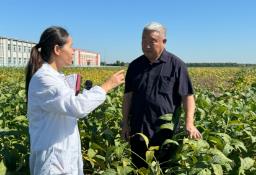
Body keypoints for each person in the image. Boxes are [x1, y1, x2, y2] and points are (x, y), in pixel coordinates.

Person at [25, 26, 124, 175]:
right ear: (57, 50)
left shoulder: (55, 77)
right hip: (53, 163)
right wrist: (107, 86)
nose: (73, 51)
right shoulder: (44, 79)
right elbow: (77, 106)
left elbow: (67, 103)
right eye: (71, 47)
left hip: (62, 158)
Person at [121, 22, 202, 169]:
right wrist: (125, 123)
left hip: (165, 134)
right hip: (138, 131)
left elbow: (188, 96)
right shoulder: (134, 66)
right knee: (140, 169)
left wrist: (189, 123)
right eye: (143, 40)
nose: (146, 45)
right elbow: (128, 97)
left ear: (163, 42)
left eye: (151, 41)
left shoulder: (177, 65)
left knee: (163, 169)